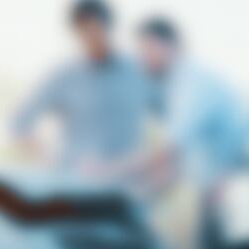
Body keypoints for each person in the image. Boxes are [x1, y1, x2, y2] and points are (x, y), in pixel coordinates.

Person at [105, 16, 249, 249]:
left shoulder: (193, 83)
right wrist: (139, 193)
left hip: (231, 196)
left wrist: (107, 171)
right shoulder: (178, 85)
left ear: (166, 45)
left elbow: (165, 152)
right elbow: (175, 163)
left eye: (145, 49)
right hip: (214, 195)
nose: (142, 59)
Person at [11, 0, 148, 174]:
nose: (90, 38)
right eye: (83, 32)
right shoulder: (62, 75)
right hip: (75, 183)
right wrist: (49, 161)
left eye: (95, 30)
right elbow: (18, 123)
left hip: (126, 183)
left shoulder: (139, 71)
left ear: (109, 27)